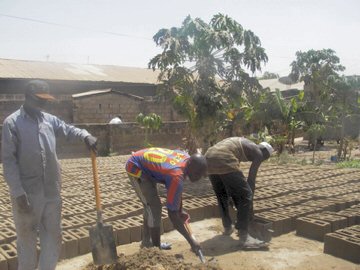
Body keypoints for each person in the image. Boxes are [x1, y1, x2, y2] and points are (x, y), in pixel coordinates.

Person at [1, 80, 98, 270]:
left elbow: (68, 129)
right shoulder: (12, 123)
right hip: (27, 195)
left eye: (46, 100)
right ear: (28, 98)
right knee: (27, 241)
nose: (44, 104)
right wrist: (18, 192)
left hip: (52, 192)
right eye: (40, 100)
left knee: (53, 238)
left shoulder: (48, 120)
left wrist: (85, 135)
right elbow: (9, 161)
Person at [125, 147, 207, 254]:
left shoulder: (186, 159)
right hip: (136, 167)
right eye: (197, 174)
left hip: (147, 165)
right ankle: (156, 251)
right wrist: (191, 241)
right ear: (190, 167)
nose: (198, 178)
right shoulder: (176, 175)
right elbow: (172, 215)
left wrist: (179, 209)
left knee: (150, 205)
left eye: (200, 175)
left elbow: (175, 191)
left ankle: (147, 242)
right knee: (153, 207)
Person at [205, 137, 274, 249]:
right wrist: (249, 201)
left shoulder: (245, 145)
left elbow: (230, 178)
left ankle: (227, 227)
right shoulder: (258, 153)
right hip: (223, 157)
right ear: (265, 153)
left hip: (208, 157)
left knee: (222, 195)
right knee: (246, 195)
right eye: (265, 158)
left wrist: (234, 194)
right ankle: (244, 237)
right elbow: (251, 180)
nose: (262, 160)